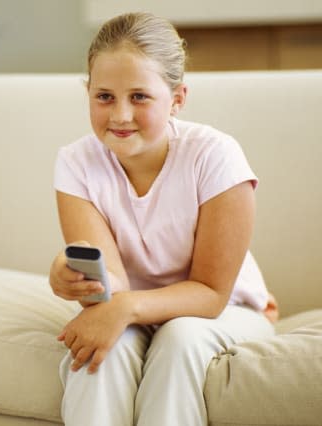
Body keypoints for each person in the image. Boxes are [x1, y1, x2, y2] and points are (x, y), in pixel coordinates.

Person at [48, 12, 279, 426]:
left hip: (223, 310)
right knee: (100, 351)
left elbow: (210, 293)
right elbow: (108, 289)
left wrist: (125, 307)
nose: (120, 115)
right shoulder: (76, 162)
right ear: (88, 93)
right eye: (104, 97)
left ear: (177, 99)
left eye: (139, 97)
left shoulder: (215, 156)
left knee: (180, 339)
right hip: (130, 309)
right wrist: (71, 276)